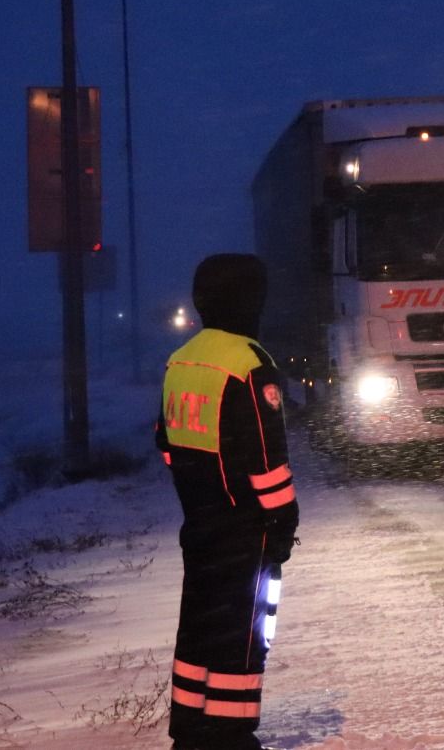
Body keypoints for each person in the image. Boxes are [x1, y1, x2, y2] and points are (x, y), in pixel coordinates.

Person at [156, 253, 299, 750]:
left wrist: (203, 493)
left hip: (199, 524)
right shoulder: (250, 364)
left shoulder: (182, 360)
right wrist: (281, 522)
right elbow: (266, 461)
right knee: (244, 631)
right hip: (245, 528)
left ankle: (191, 729)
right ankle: (231, 735)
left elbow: (167, 445)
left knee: (199, 625)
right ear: (250, 299)